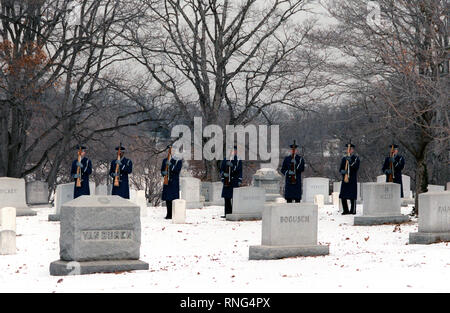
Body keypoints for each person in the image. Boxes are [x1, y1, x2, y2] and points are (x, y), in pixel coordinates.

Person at [220, 146, 243, 218]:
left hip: (234, 181)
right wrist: (223, 174)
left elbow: (239, 171)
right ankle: (227, 213)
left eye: (235, 151)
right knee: (226, 198)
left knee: (234, 198)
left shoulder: (238, 160)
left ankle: (233, 212)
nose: (233, 152)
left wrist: (239, 180)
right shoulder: (226, 159)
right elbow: (221, 169)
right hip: (227, 181)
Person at [161, 146, 182, 219]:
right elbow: (162, 170)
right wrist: (163, 173)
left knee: (174, 199)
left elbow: (177, 170)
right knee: (167, 199)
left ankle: (174, 214)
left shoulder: (178, 160)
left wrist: (170, 165)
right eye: (171, 150)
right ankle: (168, 214)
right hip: (167, 182)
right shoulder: (165, 160)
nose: (171, 152)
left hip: (174, 183)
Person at [339, 143, 360, 215]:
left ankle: (353, 210)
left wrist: (350, 161)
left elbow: (356, 167)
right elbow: (341, 168)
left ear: (352, 150)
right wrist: (342, 171)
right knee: (343, 195)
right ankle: (345, 210)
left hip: (352, 179)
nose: (348, 150)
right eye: (347, 149)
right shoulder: (344, 159)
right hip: (345, 178)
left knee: (352, 195)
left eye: (350, 149)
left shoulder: (356, 158)